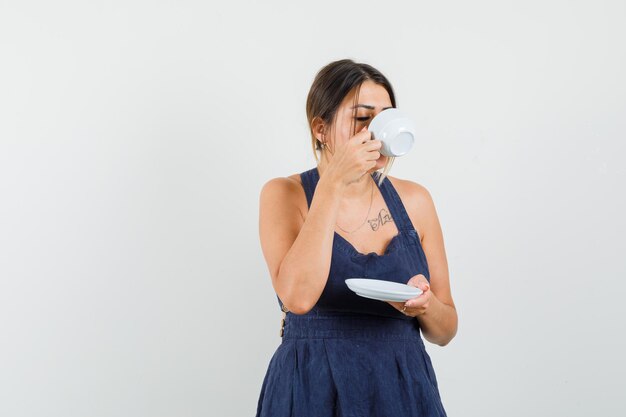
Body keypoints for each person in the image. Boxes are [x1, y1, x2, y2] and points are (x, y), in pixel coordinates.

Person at [255, 59, 458, 417]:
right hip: (311, 387)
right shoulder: (284, 194)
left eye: (385, 119)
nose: (377, 133)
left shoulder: (416, 200)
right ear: (321, 128)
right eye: (363, 119)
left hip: (401, 386)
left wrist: (425, 305)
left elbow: (445, 331)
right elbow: (298, 298)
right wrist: (333, 182)